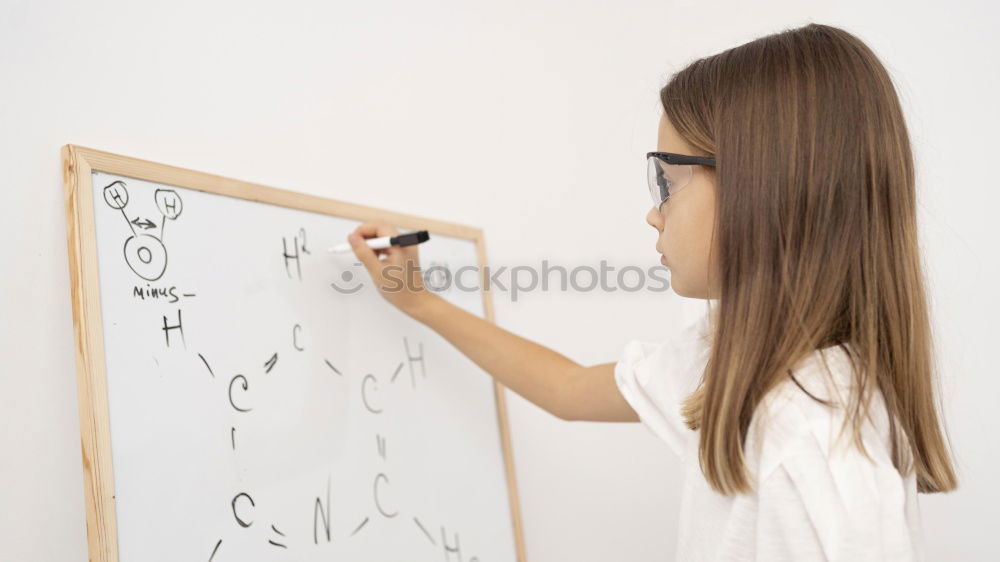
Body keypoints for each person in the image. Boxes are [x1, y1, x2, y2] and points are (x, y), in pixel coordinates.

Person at [346, 22, 957, 561]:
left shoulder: (812, 428)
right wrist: (417, 300)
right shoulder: (730, 359)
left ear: (760, 189)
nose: (653, 213)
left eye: (667, 181)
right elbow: (566, 389)